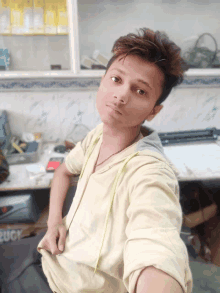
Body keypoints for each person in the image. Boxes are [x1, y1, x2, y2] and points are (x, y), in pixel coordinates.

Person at [37, 28, 193, 293]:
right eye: (116, 79)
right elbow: (63, 171)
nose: (121, 95)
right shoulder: (97, 136)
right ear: (102, 81)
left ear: (154, 111)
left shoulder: (150, 170)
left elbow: (157, 241)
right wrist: (55, 222)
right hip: (54, 260)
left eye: (140, 91)